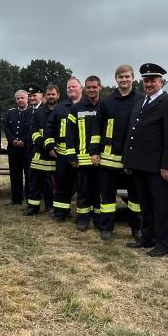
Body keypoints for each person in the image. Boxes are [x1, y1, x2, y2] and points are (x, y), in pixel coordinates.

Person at [122, 62, 168, 257]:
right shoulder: (140, 102)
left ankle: (164, 243)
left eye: (153, 80)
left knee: (162, 207)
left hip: (157, 167)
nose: (149, 84)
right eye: (146, 80)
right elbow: (132, 132)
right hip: (139, 165)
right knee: (145, 204)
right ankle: (147, 237)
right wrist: (128, 161)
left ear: (161, 82)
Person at [95, 64, 143, 241]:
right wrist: (94, 151)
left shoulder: (141, 99)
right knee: (107, 196)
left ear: (133, 78)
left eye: (127, 76)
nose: (124, 80)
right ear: (116, 79)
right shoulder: (106, 102)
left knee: (135, 197)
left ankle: (137, 228)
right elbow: (96, 128)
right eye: (120, 77)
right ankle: (106, 227)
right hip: (108, 158)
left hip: (132, 158)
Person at [69, 76, 103, 232]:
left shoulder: (105, 106)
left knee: (99, 191)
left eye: (94, 87)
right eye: (88, 87)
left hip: (101, 158)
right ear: (84, 89)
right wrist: (72, 156)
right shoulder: (76, 108)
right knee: (83, 191)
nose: (91, 90)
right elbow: (70, 134)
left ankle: (98, 219)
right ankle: (83, 219)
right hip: (82, 159)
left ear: (100, 87)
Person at [48, 78, 82, 221]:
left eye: (74, 86)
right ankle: (61, 212)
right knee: (62, 184)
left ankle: (83, 215)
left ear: (81, 88)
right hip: (62, 153)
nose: (71, 89)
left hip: (82, 153)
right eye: (68, 87)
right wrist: (50, 145)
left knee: (82, 186)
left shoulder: (88, 106)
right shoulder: (60, 107)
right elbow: (50, 127)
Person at [24, 85, 56, 216]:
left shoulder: (61, 111)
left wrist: (53, 147)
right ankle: (33, 207)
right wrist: (45, 145)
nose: (51, 97)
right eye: (49, 94)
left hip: (55, 153)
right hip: (39, 152)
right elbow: (34, 131)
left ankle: (50, 206)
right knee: (35, 180)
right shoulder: (38, 112)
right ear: (45, 96)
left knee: (50, 183)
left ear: (58, 95)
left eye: (53, 94)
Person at [3, 89, 33, 205]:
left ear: (27, 99)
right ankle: (16, 198)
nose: (20, 100)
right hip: (14, 149)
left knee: (29, 175)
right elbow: (6, 127)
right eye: (18, 98)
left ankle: (30, 198)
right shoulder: (11, 112)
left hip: (26, 149)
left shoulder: (32, 112)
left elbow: (32, 129)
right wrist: (12, 140)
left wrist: (23, 141)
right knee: (15, 175)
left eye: (22, 98)